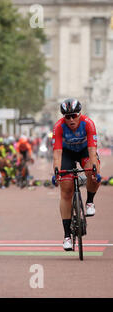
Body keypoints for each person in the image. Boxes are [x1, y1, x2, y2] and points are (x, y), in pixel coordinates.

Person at [52, 98, 101, 251]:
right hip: (66, 153)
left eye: (74, 115)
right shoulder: (59, 127)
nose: (71, 119)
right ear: (63, 117)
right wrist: (56, 172)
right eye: (67, 117)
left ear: (80, 114)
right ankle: (67, 235)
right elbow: (57, 153)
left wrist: (94, 170)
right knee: (66, 191)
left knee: (93, 172)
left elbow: (93, 150)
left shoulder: (88, 124)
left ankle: (90, 201)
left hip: (85, 151)